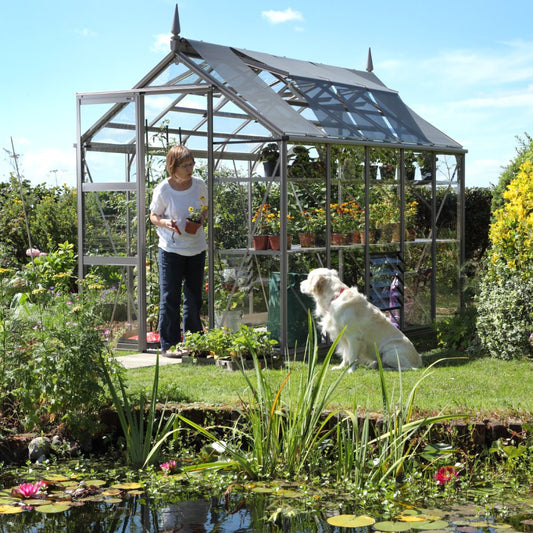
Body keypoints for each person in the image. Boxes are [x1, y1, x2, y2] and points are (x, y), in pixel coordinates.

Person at [149, 145, 208, 356]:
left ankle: (194, 344)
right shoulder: (163, 189)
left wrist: (201, 219)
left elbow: (205, 208)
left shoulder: (200, 185)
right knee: (170, 297)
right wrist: (165, 223)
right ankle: (169, 346)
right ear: (173, 166)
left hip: (196, 248)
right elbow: (153, 215)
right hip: (170, 250)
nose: (190, 169)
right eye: (185, 165)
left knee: (193, 299)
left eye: (192, 164)